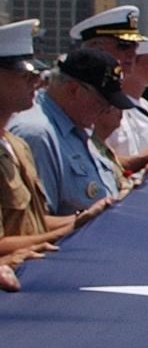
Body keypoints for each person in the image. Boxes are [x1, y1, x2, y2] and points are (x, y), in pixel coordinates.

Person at [0, 21, 109, 277]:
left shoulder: (17, 146)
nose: (37, 81)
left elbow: (32, 224)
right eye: (25, 75)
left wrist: (84, 219)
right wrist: (68, 230)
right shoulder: (31, 134)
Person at [10, 48, 130, 215]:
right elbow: (37, 224)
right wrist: (83, 220)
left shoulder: (77, 124)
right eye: (102, 102)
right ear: (74, 90)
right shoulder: (38, 135)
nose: (107, 110)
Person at [70, 5, 144, 77]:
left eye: (135, 46)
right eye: (124, 45)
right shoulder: (74, 86)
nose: (133, 54)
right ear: (95, 47)